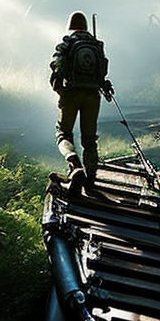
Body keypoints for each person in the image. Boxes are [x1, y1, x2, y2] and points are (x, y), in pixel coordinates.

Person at [49, 11, 114, 188]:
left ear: (71, 26)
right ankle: (91, 178)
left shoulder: (68, 43)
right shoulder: (96, 45)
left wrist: (59, 89)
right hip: (92, 96)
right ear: (86, 26)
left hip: (71, 93)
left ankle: (74, 165)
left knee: (63, 133)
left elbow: (57, 66)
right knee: (89, 139)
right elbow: (103, 71)